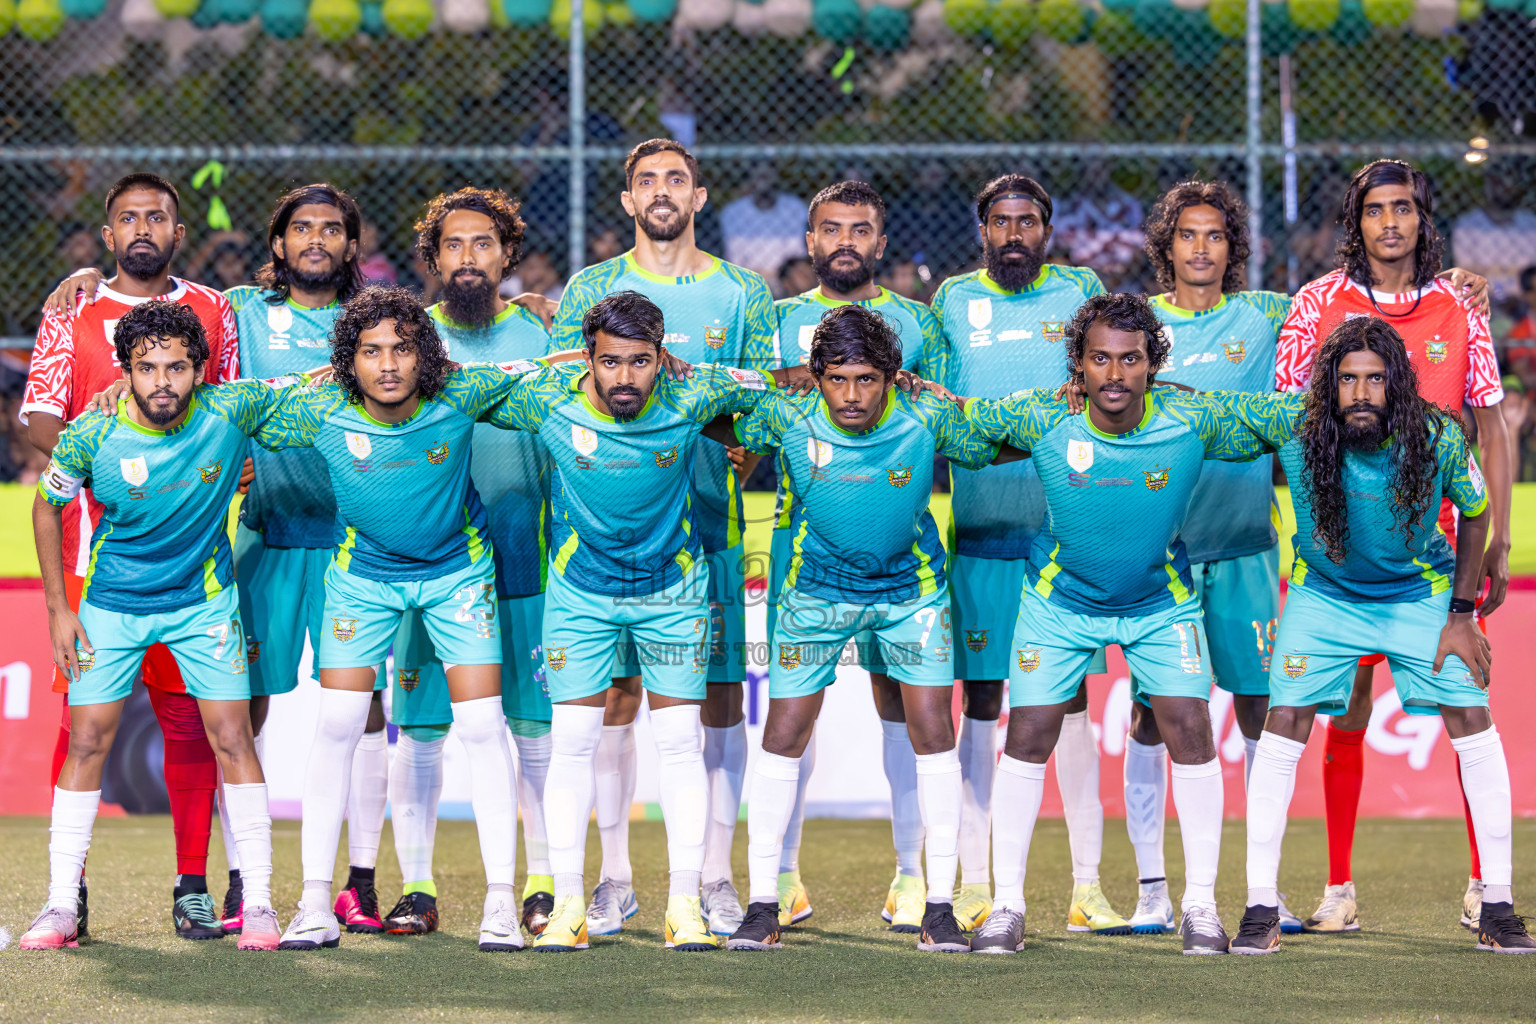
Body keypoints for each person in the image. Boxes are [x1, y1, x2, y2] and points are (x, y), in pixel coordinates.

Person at [960, 292, 1271, 955]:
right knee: (1031, 730)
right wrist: (907, 390)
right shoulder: (1042, 415)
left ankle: (1200, 908)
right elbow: (958, 422)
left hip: (1160, 604)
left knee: (1189, 723)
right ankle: (1007, 907)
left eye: (1131, 360)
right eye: (1099, 359)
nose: (1115, 374)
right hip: (1060, 604)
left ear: (1151, 365)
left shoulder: (1190, 415)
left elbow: (1275, 419)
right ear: (1078, 364)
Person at [482, 290, 787, 952]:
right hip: (579, 595)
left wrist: (744, 439)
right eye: (610, 362)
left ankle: (684, 905)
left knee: (680, 745)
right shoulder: (548, 395)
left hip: (672, 592)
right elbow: (452, 386)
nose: (625, 378)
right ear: (586, 358)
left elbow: (779, 388)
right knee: (573, 746)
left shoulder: (691, 392)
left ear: (663, 359)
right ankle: (569, 904)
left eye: (641, 362)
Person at [1226, 316, 1532, 955]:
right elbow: (1200, 406)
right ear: (1328, 386)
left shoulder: (1437, 433)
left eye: (1374, 379)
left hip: (1420, 595)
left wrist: (1461, 612)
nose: (1360, 393)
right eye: (1347, 380)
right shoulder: (1293, 422)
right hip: (1324, 596)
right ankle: (1259, 906)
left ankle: (1499, 907)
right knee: (1284, 721)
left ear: (1395, 383)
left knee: (1473, 718)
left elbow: (1476, 516)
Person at [252, 287, 533, 953]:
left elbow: (559, 372)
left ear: (424, 356)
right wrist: (111, 399)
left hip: (456, 576)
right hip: (362, 581)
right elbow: (230, 405)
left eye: (401, 349)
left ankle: (500, 906)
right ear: (348, 360)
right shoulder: (321, 404)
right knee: (341, 724)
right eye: (370, 351)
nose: (386, 365)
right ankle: (315, 904)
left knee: (482, 725)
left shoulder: (461, 395)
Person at [724, 304, 1009, 954]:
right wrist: (771, 380)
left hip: (911, 593)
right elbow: (714, 407)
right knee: (785, 729)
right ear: (817, 375)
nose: (852, 395)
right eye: (838, 379)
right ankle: (764, 903)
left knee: (933, 729)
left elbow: (1000, 435)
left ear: (893, 377)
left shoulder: (927, 414)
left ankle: (938, 905)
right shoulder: (786, 412)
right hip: (815, 593)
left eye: (868, 380)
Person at [1275, 159, 1512, 933]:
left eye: (1403, 209)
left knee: (1461, 703)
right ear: (1357, 221)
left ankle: (1486, 887)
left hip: (1435, 562)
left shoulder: (1460, 306)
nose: (1389, 223)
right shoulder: (1316, 304)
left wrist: (1498, 533)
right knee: (1345, 711)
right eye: (1375, 210)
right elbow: (1287, 419)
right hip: (1341, 560)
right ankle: (1338, 888)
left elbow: (1489, 421)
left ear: (1422, 219)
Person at [550, 139, 775, 939]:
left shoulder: (743, 291)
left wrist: (751, 441)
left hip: (708, 536)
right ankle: (614, 878)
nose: (661, 191)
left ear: (700, 194)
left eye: (675, 179)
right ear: (625, 198)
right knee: (612, 702)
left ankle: (713, 876)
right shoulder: (592, 289)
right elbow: (561, 402)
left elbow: (764, 403)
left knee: (713, 705)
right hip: (605, 543)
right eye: (646, 180)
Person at [20, 301, 288, 951]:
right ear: (126, 371)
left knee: (232, 737)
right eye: (147, 368)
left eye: (176, 367)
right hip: (112, 602)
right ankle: (60, 907)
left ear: (200, 369)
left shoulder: (232, 410)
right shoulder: (91, 432)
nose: (162, 381)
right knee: (86, 742)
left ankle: (257, 905)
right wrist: (59, 609)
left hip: (203, 604)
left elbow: (318, 388)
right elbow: (46, 505)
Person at [20, 172, 237, 941]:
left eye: (158, 216)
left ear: (179, 232)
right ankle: (66, 893)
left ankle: (191, 887)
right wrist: (115, 453)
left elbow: (229, 415)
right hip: (97, 556)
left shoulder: (214, 310)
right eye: (127, 218)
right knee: (81, 725)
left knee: (189, 721)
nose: (142, 227)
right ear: (107, 235)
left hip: (192, 557)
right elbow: (38, 423)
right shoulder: (72, 310)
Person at [923, 174, 1122, 936]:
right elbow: (938, 407)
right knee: (981, 700)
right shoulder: (953, 300)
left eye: (1027, 221)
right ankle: (975, 879)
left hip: (1063, 542)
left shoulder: (1081, 287)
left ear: (1048, 227)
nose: (1014, 234)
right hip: (978, 535)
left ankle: (1087, 887)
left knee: (1069, 702)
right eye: (1001, 222)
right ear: (983, 230)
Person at [1125, 180, 1302, 934]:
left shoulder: (1268, 316)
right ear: (1166, 247)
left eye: (1215, 235)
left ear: (1234, 247)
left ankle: (1265, 889)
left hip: (1247, 549)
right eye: (1187, 236)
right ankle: (1151, 888)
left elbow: (1355, 316)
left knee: (1260, 708)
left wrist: (1448, 288)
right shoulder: (1138, 327)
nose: (1201, 248)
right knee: (1151, 719)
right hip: (1159, 560)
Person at [381, 187, 558, 939]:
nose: (467, 258)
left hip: (525, 560)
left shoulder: (544, 332)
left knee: (532, 725)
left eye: (483, 243)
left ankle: (544, 881)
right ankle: (418, 887)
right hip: (429, 561)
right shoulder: (406, 343)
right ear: (432, 257)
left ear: (507, 254)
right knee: (421, 730)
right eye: (452, 245)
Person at [769, 180, 945, 932]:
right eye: (830, 228)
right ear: (809, 242)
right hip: (800, 536)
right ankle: (780, 878)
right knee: (791, 712)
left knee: (898, 699)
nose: (846, 240)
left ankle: (915, 875)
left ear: (881, 241)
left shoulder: (918, 322)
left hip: (900, 535)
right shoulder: (772, 319)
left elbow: (943, 413)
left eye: (861, 229)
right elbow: (747, 401)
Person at [719, 164, 810, 289]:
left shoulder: (795, 208)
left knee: (800, 276)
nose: (763, 179)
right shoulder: (733, 212)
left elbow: (797, 255)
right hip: (747, 277)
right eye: (759, 174)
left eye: (767, 175)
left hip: (785, 278)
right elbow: (733, 260)